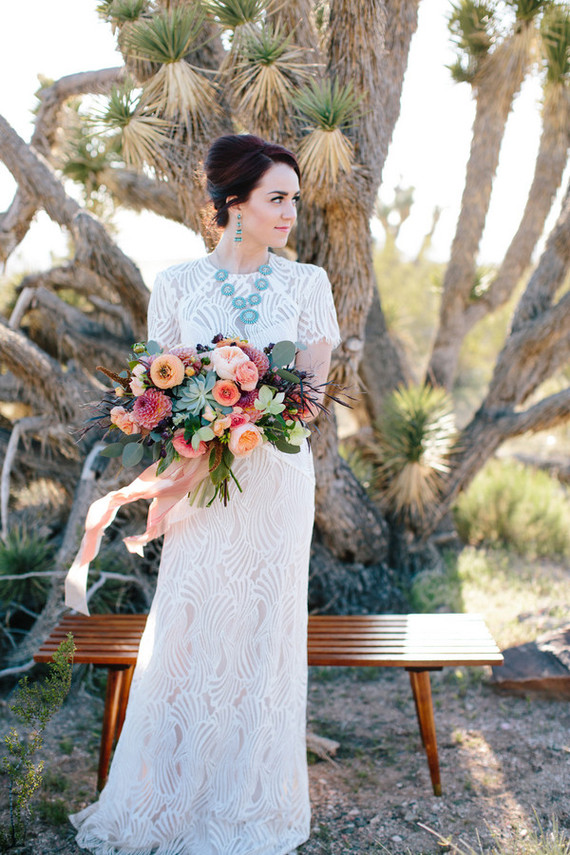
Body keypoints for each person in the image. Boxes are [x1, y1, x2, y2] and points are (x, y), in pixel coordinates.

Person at [70, 133, 341, 855]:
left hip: (276, 479)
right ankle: (167, 797)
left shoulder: (307, 283)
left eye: (292, 198)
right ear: (234, 205)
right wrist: (194, 421)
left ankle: (246, 800)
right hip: (201, 482)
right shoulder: (177, 284)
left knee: (261, 627)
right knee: (190, 624)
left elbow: (308, 400)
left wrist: (240, 407)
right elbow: (156, 386)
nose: (290, 212)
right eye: (276, 198)